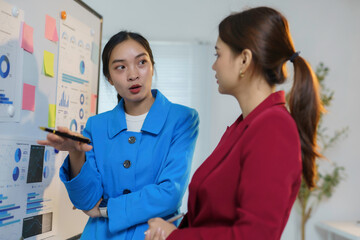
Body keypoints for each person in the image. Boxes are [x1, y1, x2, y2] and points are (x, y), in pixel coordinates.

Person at [145, 6, 323, 240]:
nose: (214, 65)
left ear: (244, 60)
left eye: (218, 55)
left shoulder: (274, 128)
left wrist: (173, 237)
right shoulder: (245, 126)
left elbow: (254, 235)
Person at [38, 31, 199, 239]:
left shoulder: (182, 119)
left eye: (141, 62)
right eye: (121, 67)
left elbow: (170, 194)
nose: (133, 74)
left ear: (152, 66)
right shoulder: (96, 125)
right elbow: (86, 202)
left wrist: (106, 209)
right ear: (109, 78)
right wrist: (75, 154)